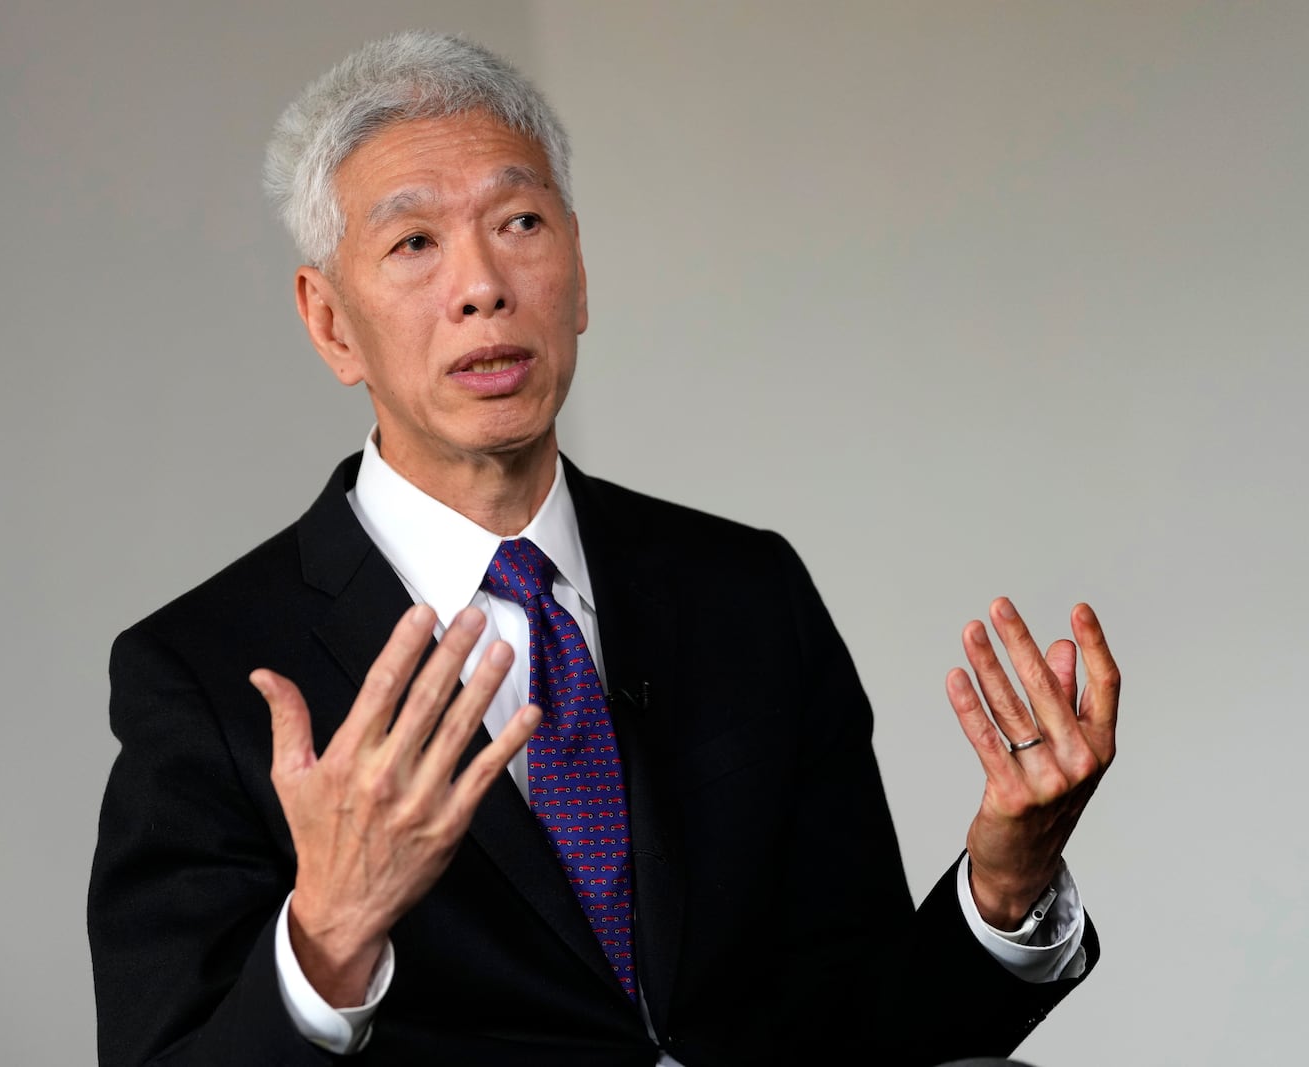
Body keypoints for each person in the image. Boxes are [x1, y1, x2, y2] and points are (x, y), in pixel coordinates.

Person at [87, 30, 1119, 1067]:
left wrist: (1006, 882)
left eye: (519, 222)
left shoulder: (746, 592)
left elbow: (861, 1022)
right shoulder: (207, 672)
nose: (483, 284)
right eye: (414, 244)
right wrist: (328, 939)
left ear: (577, 276)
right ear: (330, 324)